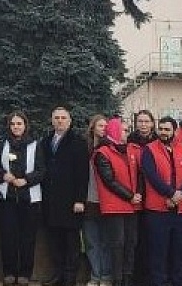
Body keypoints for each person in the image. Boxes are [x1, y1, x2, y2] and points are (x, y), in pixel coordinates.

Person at [0, 112, 43, 286]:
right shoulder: (2, 144)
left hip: (29, 199)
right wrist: (4, 175)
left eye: (19, 123)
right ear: (9, 126)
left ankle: (25, 273)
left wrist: (26, 180)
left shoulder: (35, 145)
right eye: (13, 124)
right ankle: (9, 272)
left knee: (28, 238)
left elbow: (43, 170)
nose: (16, 127)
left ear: (25, 125)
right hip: (7, 198)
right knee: (8, 237)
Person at [141, 116, 182, 286]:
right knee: (158, 252)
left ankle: (179, 282)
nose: (163, 132)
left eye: (167, 129)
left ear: (175, 131)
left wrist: (181, 195)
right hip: (158, 210)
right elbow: (151, 176)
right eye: (161, 129)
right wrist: (171, 193)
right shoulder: (149, 150)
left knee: (181, 252)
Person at [40, 106, 89, 286]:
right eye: (56, 118)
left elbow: (83, 174)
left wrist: (79, 199)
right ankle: (58, 274)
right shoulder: (45, 142)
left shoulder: (78, 142)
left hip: (71, 201)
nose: (59, 121)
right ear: (52, 120)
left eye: (63, 118)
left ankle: (70, 278)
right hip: (51, 201)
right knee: (54, 241)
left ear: (69, 121)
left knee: (71, 242)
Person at [93, 116, 142, 286]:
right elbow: (109, 180)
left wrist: (138, 194)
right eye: (124, 130)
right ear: (114, 131)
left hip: (133, 205)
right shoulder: (103, 152)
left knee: (131, 242)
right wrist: (130, 195)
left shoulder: (132, 149)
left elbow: (141, 174)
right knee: (117, 244)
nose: (127, 133)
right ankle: (118, 279)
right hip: (115, 205)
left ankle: (128, 278)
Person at [127, 110, 157, 286]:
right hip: (135, 195)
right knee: (135, 238)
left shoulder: (158, 141)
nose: (143, 125)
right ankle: (136, 275)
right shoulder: (130, 141)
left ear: (152, 123)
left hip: (154, 194)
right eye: (140, 121)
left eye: (146, 121)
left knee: (151, 238)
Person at [82, 115, 111, 286]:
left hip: (106, 201)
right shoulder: (84, 147)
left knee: (106, 241)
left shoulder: (110, 147)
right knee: (91, 242)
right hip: (88, 199)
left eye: (106, 126)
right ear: (93, 127)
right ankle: (95, 275)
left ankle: (106, 275)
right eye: (100, 125)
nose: (104, 129)